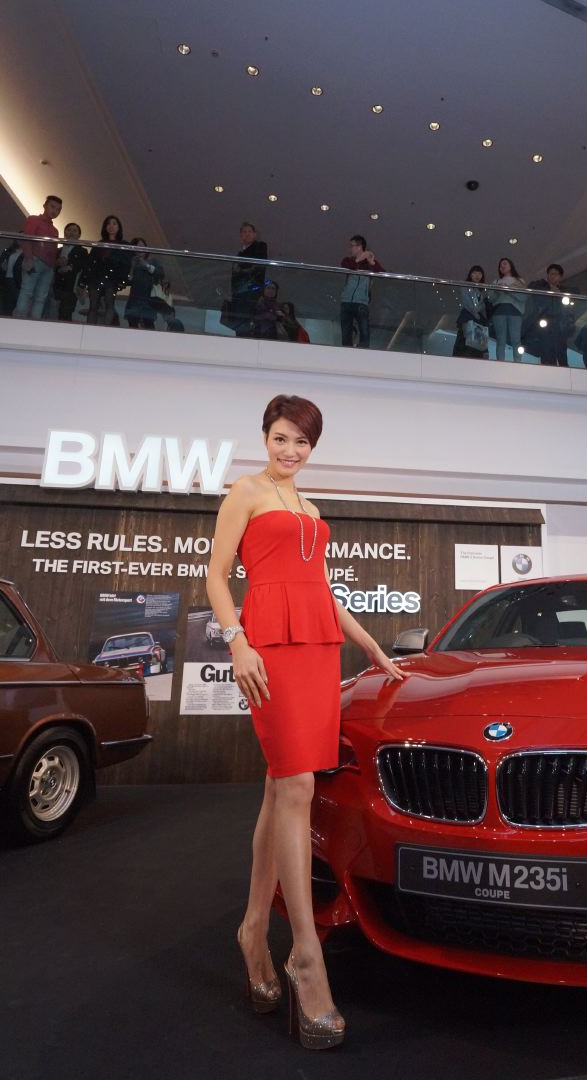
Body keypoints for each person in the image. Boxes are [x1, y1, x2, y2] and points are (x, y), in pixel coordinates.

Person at [206, 394, 407, 1049]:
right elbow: (215, 577)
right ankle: (304, 954)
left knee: (282, 787)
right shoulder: (245, 492)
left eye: (302, 441)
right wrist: (236, 642)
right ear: (265, 436)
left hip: (318, 647)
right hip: (267, 646)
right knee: (295, 785)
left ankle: (250, 931)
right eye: (282, 437)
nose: (290, 450)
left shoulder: (311, 510)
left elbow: (321, 589)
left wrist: (371, 646)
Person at [13, 195, 62, 320]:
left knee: (41, 296)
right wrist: (29, 258)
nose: (55, 211)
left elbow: (53, 251)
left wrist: (54, 266)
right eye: (52, 207)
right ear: (45, 206)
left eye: (58, 209)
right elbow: (26, 239)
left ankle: (34, 321)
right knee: (27, 292)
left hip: (48, 266)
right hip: (35, 260)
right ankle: (19, 320)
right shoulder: (33, 220)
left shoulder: (55, 230)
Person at [521, 264, 575, 367]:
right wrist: (548, 290)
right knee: (546, 353)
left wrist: (559, 292)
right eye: (551, 274)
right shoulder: (541, 285)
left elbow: (575, 291)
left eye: (555, 274)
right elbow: (531, 286)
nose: (553, 276)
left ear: (560, 277)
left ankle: (563, 372)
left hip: (559, 325)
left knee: (561, 353)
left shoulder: (564, 289)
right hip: (545, 323)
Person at [83, 215, 131, 326]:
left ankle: (106, 328)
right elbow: (91, 262)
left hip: (112, 277)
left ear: (119, 227)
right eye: (108, 224)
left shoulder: (123, 245)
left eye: (114, 223)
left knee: (109, 304)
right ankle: (90, 328)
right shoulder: (99, 243)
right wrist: (85, 278)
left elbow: (126, 263)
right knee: (93, 305)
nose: (111, 226)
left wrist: (123, 279)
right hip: (96, 277)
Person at [340, 235, 383, 348]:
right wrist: (360, 258)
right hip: (346, 301)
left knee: (364, 334)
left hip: (361, 302)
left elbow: (381, 273)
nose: (350, 249)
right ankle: (346, 353)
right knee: (345, 335)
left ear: (359, 247)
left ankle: (363, 353)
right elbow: (348, 266)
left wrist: (372, 262)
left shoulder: (369, 264)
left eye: (352, 246)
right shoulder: (347, 260)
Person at [230, 222, 268, 338]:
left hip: (251, 290)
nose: (247, 234)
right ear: (240, 235)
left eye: (249, 231)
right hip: (239, 292)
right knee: (239, 321)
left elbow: (258, 266)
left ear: (255, 234)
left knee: (247, 320)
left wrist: (241, 270)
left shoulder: (260, 246)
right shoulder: (240, 253)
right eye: (244, 232)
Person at [490, 256, 527, 362]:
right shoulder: (496, 281)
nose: (502, 266)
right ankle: (501, 362)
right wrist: (498, 290)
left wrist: (509, 290)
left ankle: (517, 363)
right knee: (500, 340)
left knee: (516, 340)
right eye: (500, 265)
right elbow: (491, 298)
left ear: (511, 266)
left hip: (515, 312)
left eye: (505, 263)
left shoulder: (520, 281)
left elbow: (523, 297)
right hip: (499, 311)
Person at [125, 237, 166, 330]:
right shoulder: (132, 262)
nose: (140, 249)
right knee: (132, 325)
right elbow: (128, 281)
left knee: (149, 325)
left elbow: (161, 274)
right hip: (135, 299)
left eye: (142, 246)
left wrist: (147, 265)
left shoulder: (153, 261)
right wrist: (132, 267)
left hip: (148, 299)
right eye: (137, 246)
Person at [52, 223, 88, 322]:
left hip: (71, 287)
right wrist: (57, 265)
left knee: (66, 314)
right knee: (52, 313)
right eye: (69, 230)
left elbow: (84, 268)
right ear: (64, 233)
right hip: (56, 285)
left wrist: (70, 267)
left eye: (74, 230)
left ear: (79, 235)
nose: (71, 232)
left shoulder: (82, 251)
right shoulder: (58, 250)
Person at [452, 264, 489, 359]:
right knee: (467, 340)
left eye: (479, 274)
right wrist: (474, 312)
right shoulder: (465, 285)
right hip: (468, 316)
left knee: (476, 342)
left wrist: (478, 313)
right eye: (474, 273)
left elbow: (483, 306)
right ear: (470, 274)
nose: (477, 276)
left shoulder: (481, 291)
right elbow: (466, 301)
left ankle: (474, 357)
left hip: (478, 319)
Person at [0, 239, 23, 316]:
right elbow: (2, 266)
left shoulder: (26, 253)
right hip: (9, 278)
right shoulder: (8, 251)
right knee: (9, 300)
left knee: (15, 300)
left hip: (16, 279)